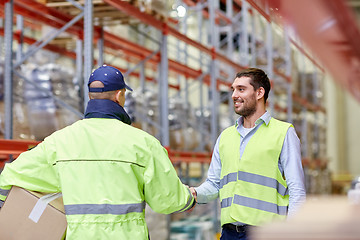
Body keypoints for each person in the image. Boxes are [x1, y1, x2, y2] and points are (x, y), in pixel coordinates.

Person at [0, 65, 195, 239]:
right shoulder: (143, 143)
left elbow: (9, 176)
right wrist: (189, 198)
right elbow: (169, 201)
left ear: (90, 96)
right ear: (119, 96)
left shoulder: (59, 142)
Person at [190, 68, 306, 240]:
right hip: (229, 233)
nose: (234, 95)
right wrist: (194, 193)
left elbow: (297, 190)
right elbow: (214, 184)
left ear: (260, 92)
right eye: (233, 89)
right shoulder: (225, 136)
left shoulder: (283, 133)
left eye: (241, 89)